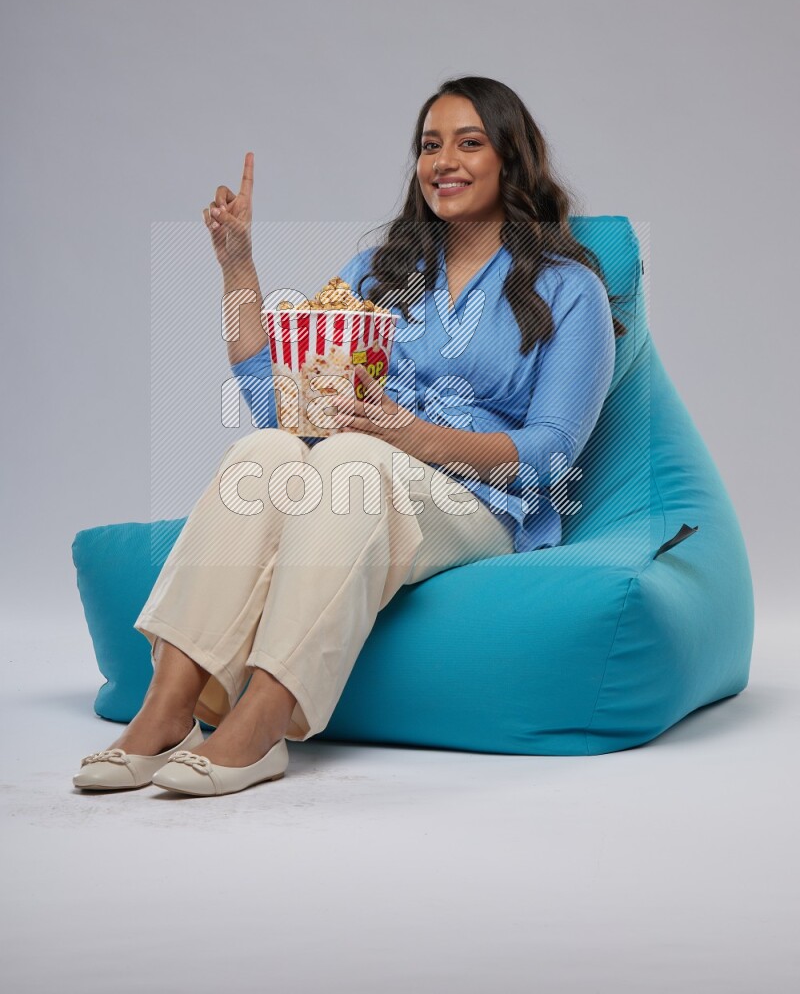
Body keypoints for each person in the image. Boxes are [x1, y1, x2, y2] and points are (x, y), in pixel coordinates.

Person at [73, 75, 621, 798]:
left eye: (468, 142)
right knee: (263, 452)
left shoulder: (567, 286)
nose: (442, 161)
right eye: (430, 145)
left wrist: (414, 436)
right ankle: (170, 703)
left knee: (352, 458)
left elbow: (552, 453)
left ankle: (264, 720)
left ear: (509, 160)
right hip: (359, 471)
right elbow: (281, 404)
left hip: (484, 501)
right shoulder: (378, 271)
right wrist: (238, 263)